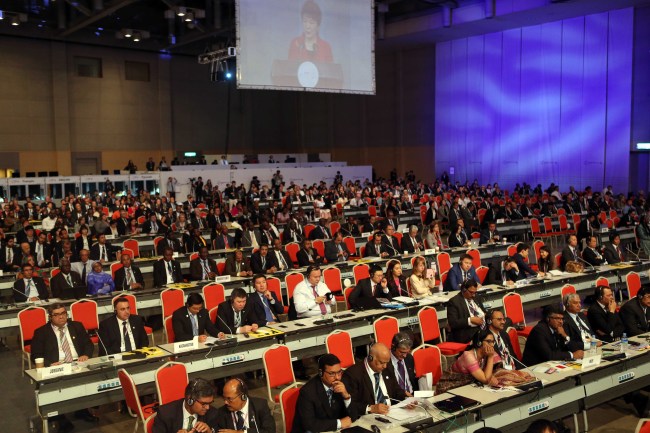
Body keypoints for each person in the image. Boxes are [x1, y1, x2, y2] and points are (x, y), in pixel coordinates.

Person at [30, 303, 96, 431]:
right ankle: (59, 416)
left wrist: (85, 355)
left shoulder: (77, 326)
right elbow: (36, 355)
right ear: (50, 317)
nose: (61, 317)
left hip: (78, 362)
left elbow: (88, 344)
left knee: (88, 381)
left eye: (63, 313)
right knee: (54, 387)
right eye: (57, 314)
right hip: (57, 366)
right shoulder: (41, 332)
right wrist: (49, 363)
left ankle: (82, 409)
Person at [291, 354, 358, 433]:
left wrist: (346, 396)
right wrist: (339, 423)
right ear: (320, 372)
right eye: (332, 373)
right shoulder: (308, 392)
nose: (337, 377)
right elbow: (310, 424)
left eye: (339, 372)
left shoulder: (342, 384)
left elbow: (353, 417)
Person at [342, 343, 406, 415]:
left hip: (391, 412)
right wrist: (371, 408)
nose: (385, 366)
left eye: (386, 363)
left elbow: (396, 390)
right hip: (369, 417)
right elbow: (350, 404)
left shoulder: (387, 368)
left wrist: (406, 400)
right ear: (370, 358)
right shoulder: (353, 374)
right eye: (382, 363)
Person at [153, 378, 219, 433]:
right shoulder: (165, 413)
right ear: (190, 400)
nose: (207, 407)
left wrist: (210, 432)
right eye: (203, 404)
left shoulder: (213, 413)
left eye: (210, 403)